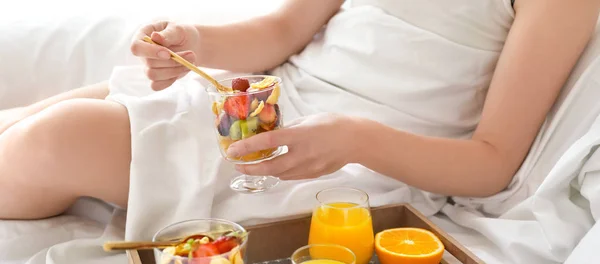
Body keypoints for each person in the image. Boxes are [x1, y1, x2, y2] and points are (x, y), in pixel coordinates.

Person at [0, 0, 598, 220]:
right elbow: (284, 28)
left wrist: (356, 139)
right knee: (47, 110)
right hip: (260, 98)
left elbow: (491, 163)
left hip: (340, 163)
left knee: (57, 137)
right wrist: (198, 42)